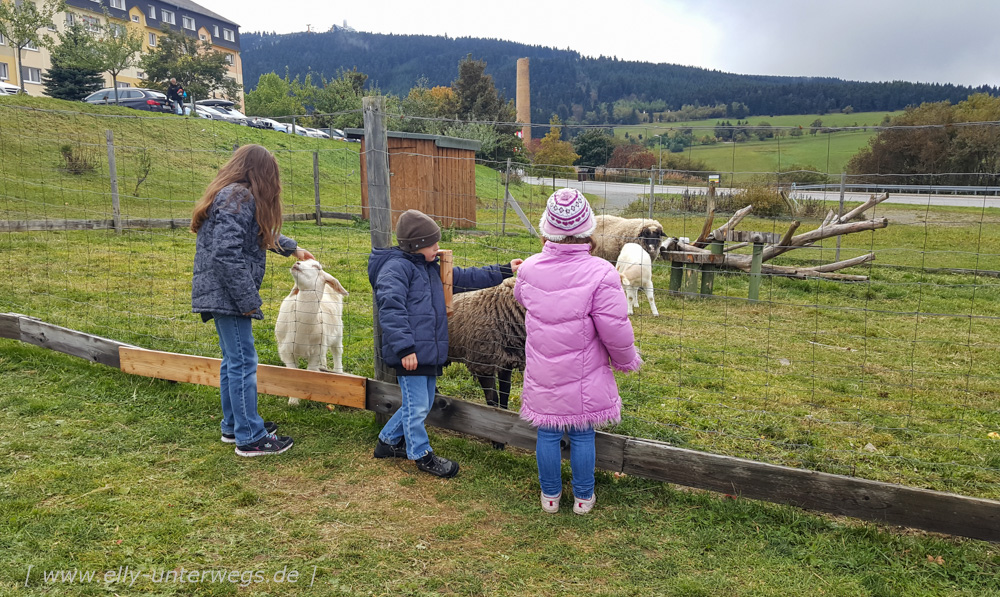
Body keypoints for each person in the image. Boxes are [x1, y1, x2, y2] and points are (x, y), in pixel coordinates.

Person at [514, 188, 642, 514]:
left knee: (547, 432)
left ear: (547, 228)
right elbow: (615, 327)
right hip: (584, 371)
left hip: (544, 368)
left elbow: (522, 298)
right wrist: (626, 361)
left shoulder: (529, 268)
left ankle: (550, 497)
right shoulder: (600, 273)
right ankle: (584, 498)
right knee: (583, 434)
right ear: (588, 228)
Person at [368, 209, 523, 478]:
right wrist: (405, 348)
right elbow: (390, 309)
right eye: (433, 244)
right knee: (417, 406)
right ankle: (421, 454)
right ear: (417, 246)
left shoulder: (429, 267)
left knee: (422, 403)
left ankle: (387, 442)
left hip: (427, 351)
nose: (438, 248)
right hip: (411, 353)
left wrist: (504, 270)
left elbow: (466, 277)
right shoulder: (396, 270)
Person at [191, 144, 314, 457]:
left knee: (233, 359)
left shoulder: (232, 195)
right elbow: (226, 252)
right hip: (229, 293)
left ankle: (234, 425)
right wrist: (247, 298)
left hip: (222, 291)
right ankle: (250, 436)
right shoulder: (238, 197)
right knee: (244, 360)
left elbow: (255, 233)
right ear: (260, 174)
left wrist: (292, 248)